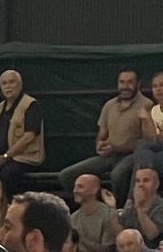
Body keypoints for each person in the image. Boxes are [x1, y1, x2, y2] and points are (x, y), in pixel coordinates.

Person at [59, 69, 147, 204]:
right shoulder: (109, 105)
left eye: (130, 82)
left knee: (117, 176)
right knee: (66, 176)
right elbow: (102, 134)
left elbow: (146, 142)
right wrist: (99, 145)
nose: (125, 86)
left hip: (132, 156)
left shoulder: (146, 106)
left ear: (138, 84)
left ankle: (120, 210)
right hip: (108, 156)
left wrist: (116, 147)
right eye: (122, 82)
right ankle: (98, 205)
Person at [0, 69, 44, 199]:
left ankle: (9, 208)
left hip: (22, 159)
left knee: (6, 175)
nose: (8, 86)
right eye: (4, 83)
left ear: (20, 84)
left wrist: (5, 156)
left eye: (12, 82)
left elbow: (29, 136)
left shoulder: (30, 104)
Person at [118, 166, 163, 247]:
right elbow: (120, 231)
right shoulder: (130, 204)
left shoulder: (161, 206)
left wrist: (139, 208)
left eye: (146, 180)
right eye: (137, 181)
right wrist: (111, 208)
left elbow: (152, 235)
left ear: (156, 184)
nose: (141, 184)